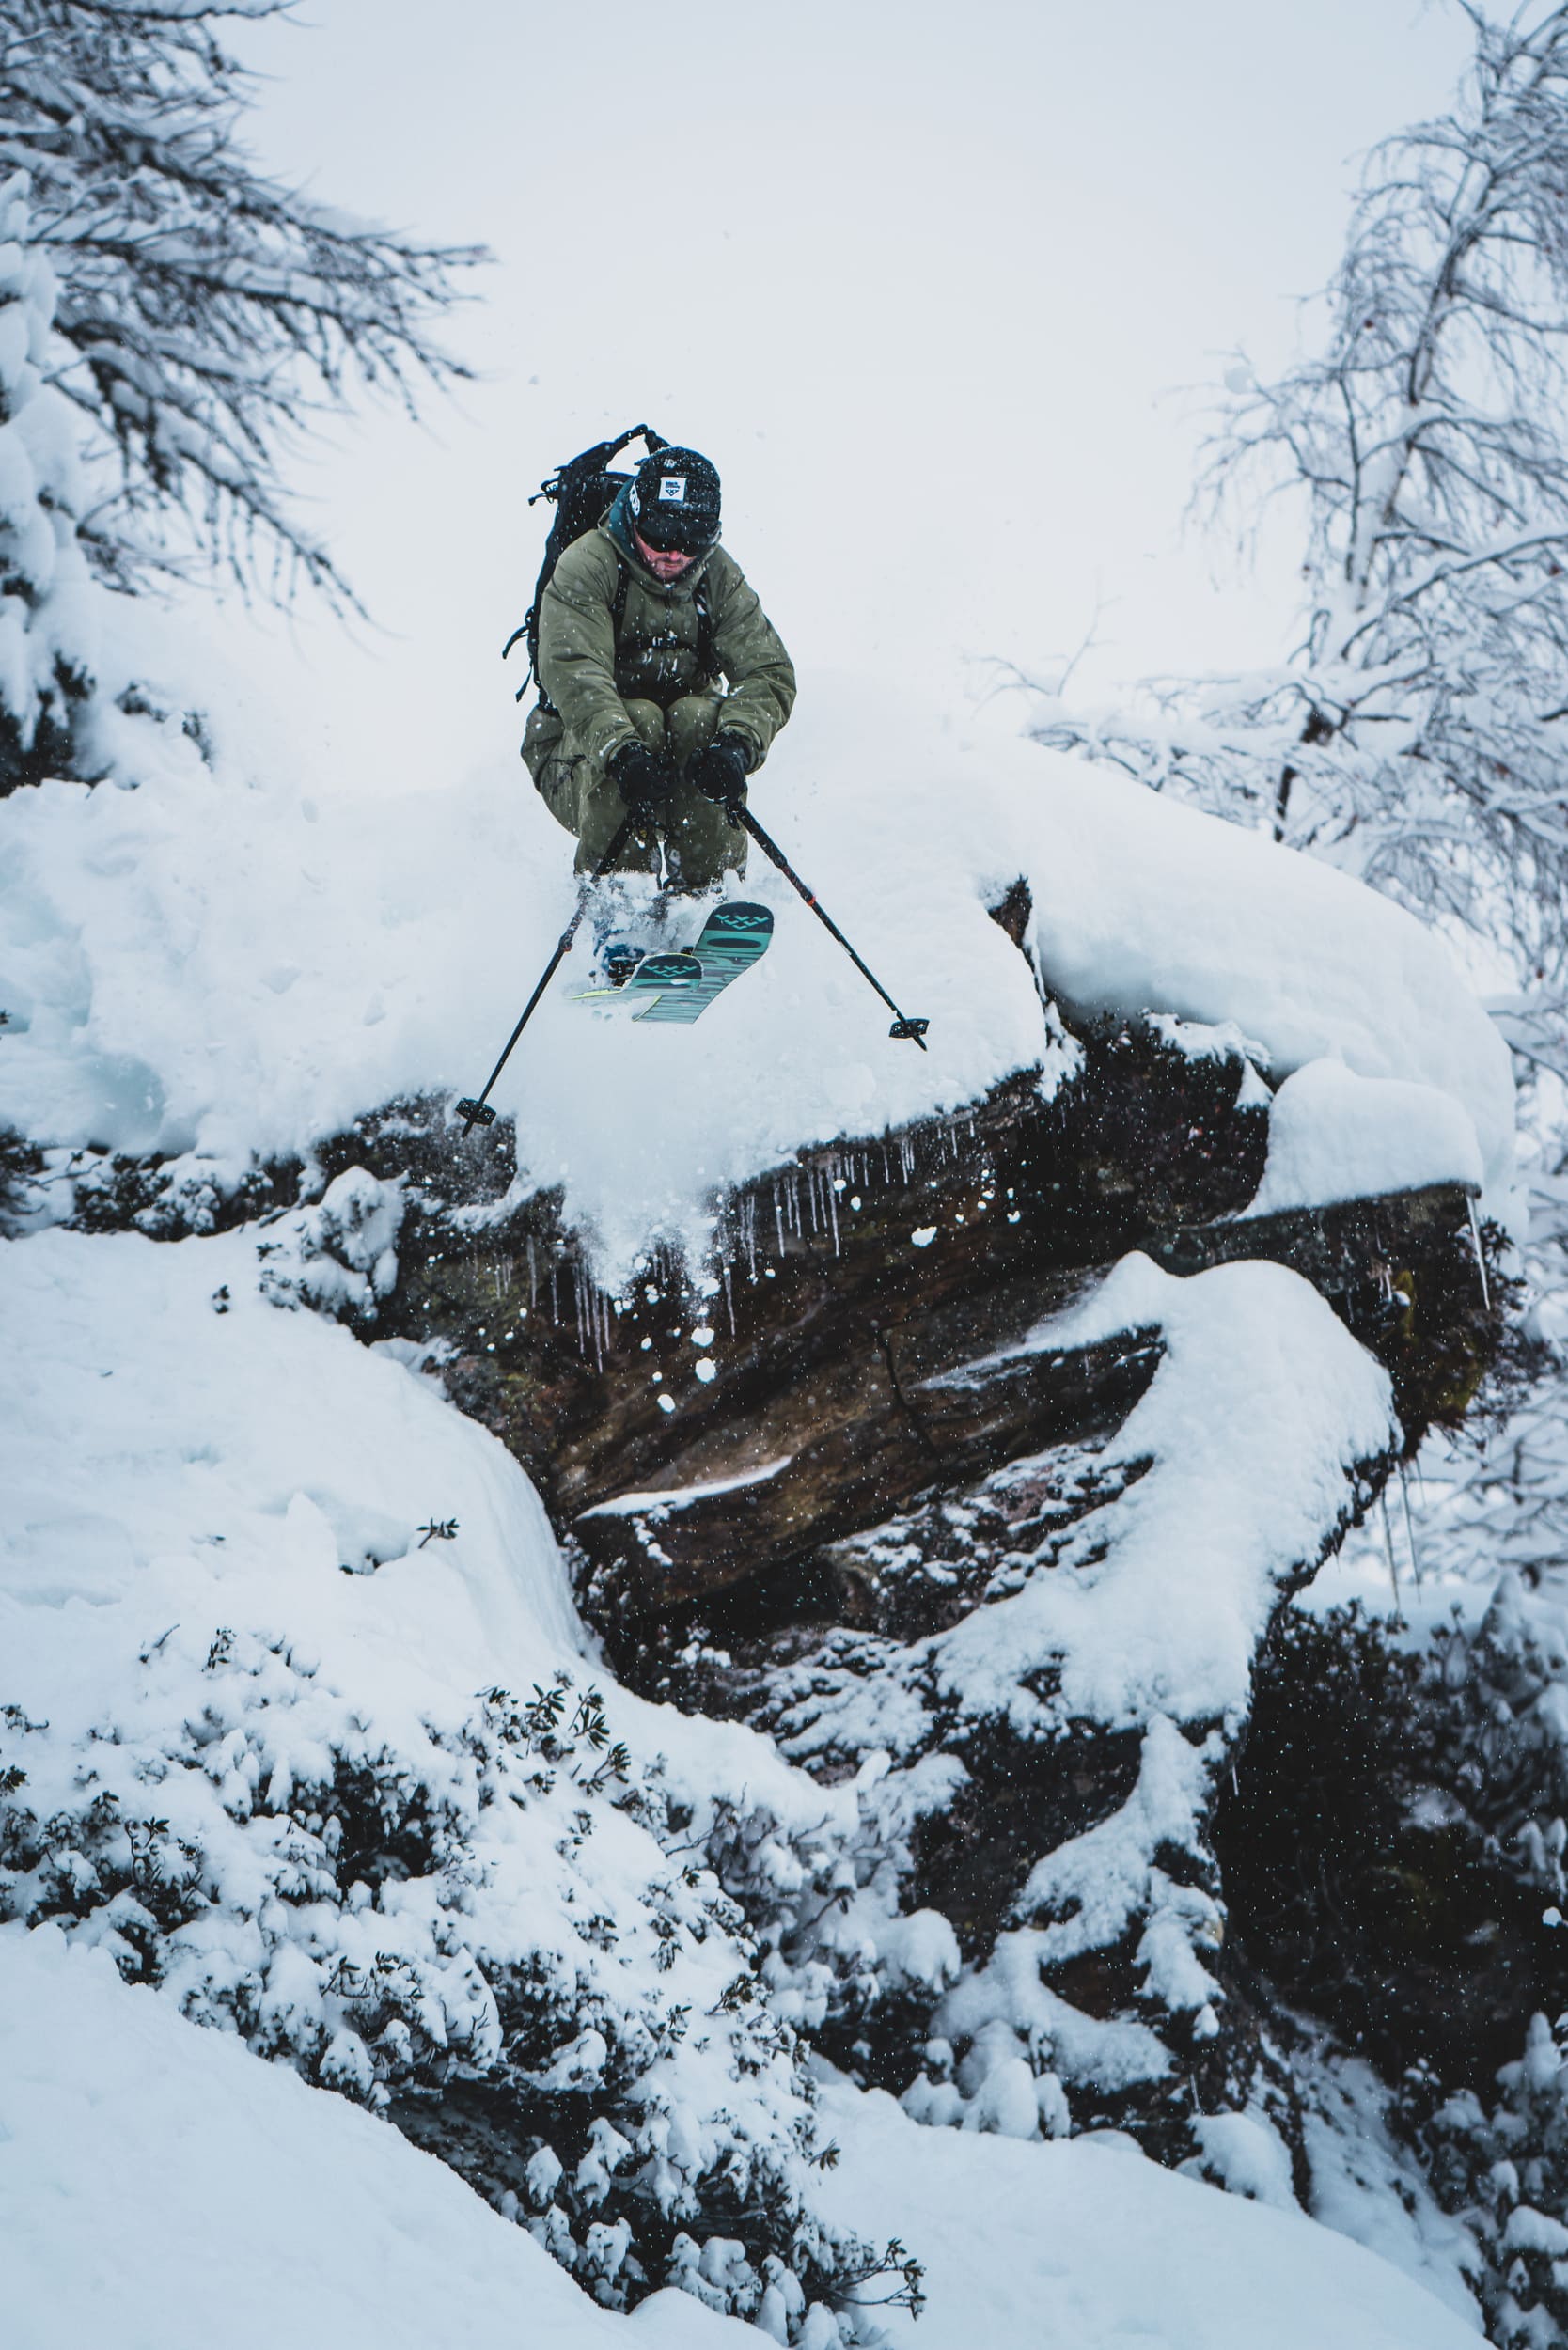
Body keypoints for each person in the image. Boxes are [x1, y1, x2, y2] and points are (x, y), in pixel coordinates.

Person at [522, 446, 795, 935]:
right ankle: (616, 910)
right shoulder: (588, 564)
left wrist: (736, 746)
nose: (674, 554)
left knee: (700, 718)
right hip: (579, 760)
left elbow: (768, 670)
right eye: (661, 536)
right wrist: (622, 753)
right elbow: (576, 672)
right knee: (642, 720)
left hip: (679, 762)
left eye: (691, 541)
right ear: (634, 516)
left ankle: (704, 901)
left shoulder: (716, 576)